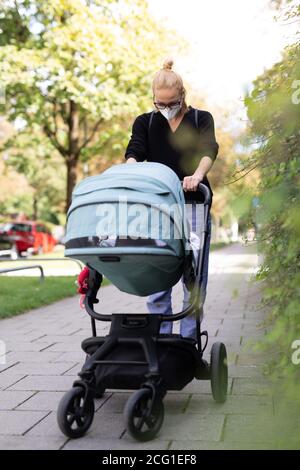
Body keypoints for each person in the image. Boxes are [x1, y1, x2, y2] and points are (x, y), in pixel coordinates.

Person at [124, 58, 219, 341]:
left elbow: (208, 149)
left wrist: (197, 176)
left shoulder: (201, 119)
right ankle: (161, 343)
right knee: (157, 278)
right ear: (154, 100)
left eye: (171, 103)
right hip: (158, 209)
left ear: (182, 96)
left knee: (193, 280)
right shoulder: (146, 122)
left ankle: (188, 344)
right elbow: (135, 150)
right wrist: (131, 172)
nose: (166, 108)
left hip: (193, 207)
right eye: (160, 104)